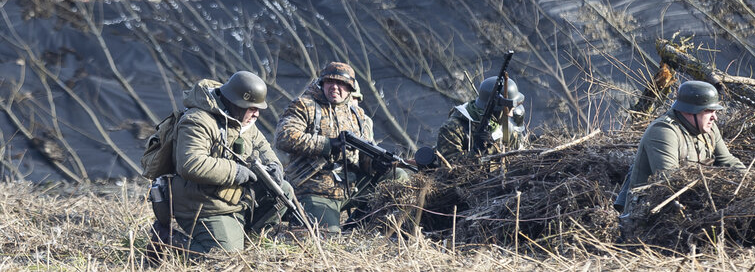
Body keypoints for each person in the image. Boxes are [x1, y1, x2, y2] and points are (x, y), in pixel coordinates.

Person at [275, 62, 406, 233]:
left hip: (351, 186)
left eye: (342, 84)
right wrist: (328, 145)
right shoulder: (304, 105)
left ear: (350, 88)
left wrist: (375, 164)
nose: (335, 87)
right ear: (322, 83)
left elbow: (363, 155)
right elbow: (284, 137)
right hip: (314, 188)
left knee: (398, 176)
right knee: (326, 240)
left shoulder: (357, 115)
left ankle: (359, 225)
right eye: (330, 82)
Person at [171, 71, 291, 254]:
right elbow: (190, 164)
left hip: (235, 198)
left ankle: (246, 240)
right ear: (236, 103)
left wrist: (274, 166)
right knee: (225, 258)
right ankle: (167, 240)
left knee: (283, 190)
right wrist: (236, 171)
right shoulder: (197, 120)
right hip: (204, 204)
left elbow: (263, 147)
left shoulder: (243, 120)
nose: (257, 114)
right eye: (252, 108)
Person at [619, 81, 744, 214]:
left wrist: (748, 180)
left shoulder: (709, 129)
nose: (715, 117)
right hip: (649, 213)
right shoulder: (663, 131)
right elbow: (669, 180)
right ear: (690, 111)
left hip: (691, 204)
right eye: (708, 111)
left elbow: (728, 161)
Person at [436, 75, 525, 162]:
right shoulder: (452, 129)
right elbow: (449, 170)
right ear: (496, 110)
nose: (511, 114)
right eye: (509, 109)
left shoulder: (506, 126)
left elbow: (518, 158)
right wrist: (477, 150)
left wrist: (494, 147)